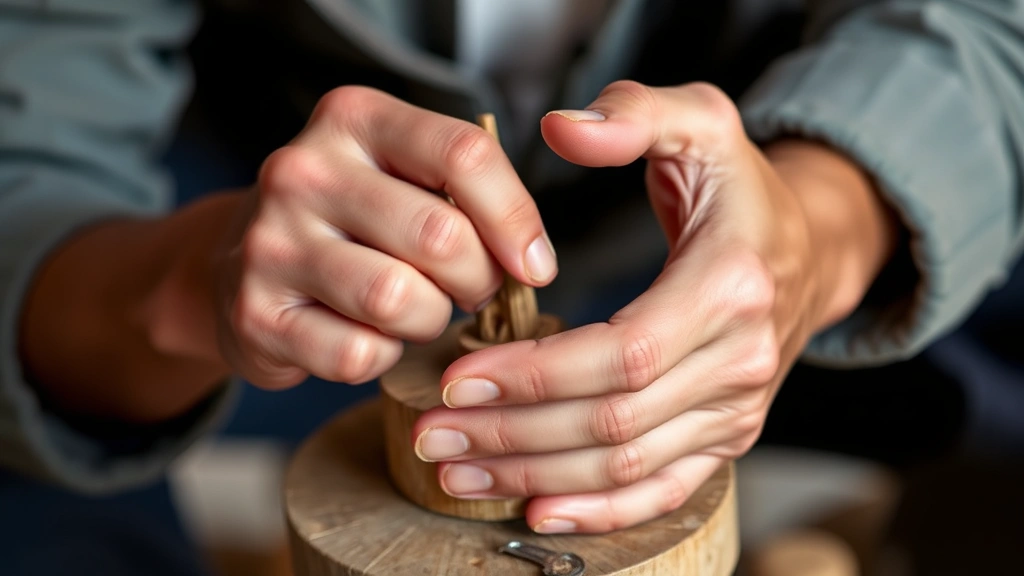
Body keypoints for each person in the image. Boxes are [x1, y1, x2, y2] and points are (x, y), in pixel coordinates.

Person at [1, 0, 1022, 570]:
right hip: (275, 278)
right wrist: (193, 280)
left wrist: (817, 226)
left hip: (814, 232)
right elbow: (28, 146)